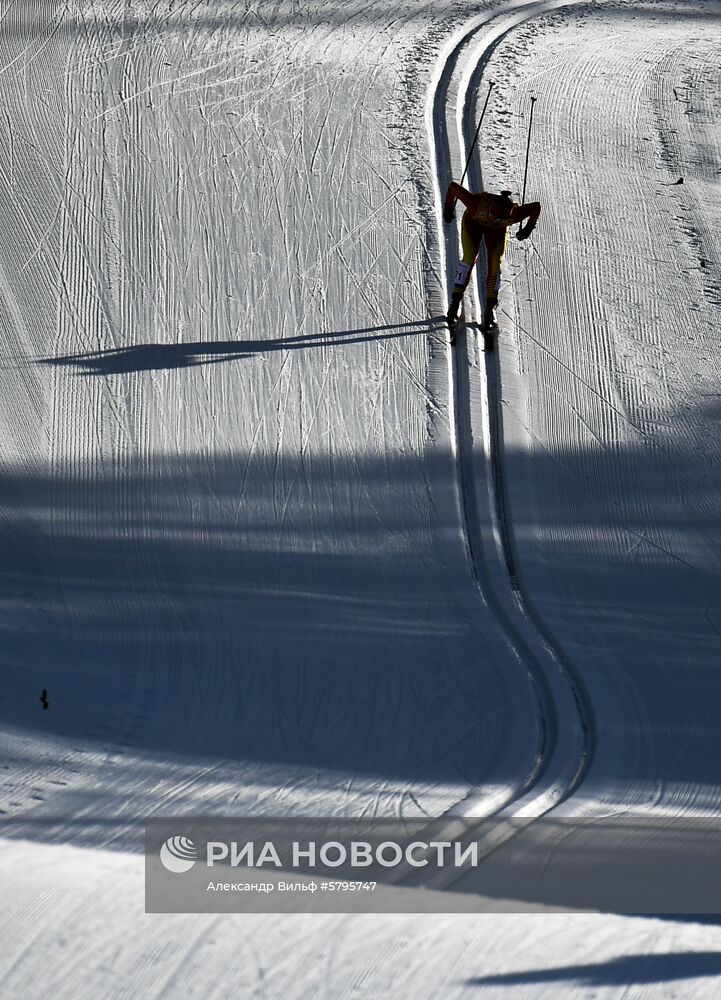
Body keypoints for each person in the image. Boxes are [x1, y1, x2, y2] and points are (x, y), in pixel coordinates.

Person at [443, 183, 541, 330]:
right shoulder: (477, 204)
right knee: (469, 257)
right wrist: (448, 208)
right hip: (473, 223)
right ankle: (455, 302)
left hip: (495, 231)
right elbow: (452, 187)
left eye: (502, 219)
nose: (497, 220)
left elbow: (536, 207)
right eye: (496, 217)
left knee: (496, 263)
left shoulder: (514, 214)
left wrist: (528, 228)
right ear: (490, 208)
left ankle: (490, 308)